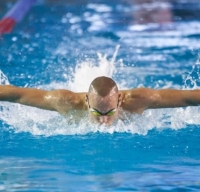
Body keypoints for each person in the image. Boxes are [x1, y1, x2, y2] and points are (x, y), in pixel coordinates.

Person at [0, 76, 200, 125]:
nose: (103, 121)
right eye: (97, 112)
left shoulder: (139, 99)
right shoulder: (64, 101)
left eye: (109, 112)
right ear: (87, 102)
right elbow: (16, 94)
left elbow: (188, 98)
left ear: (119, 100)